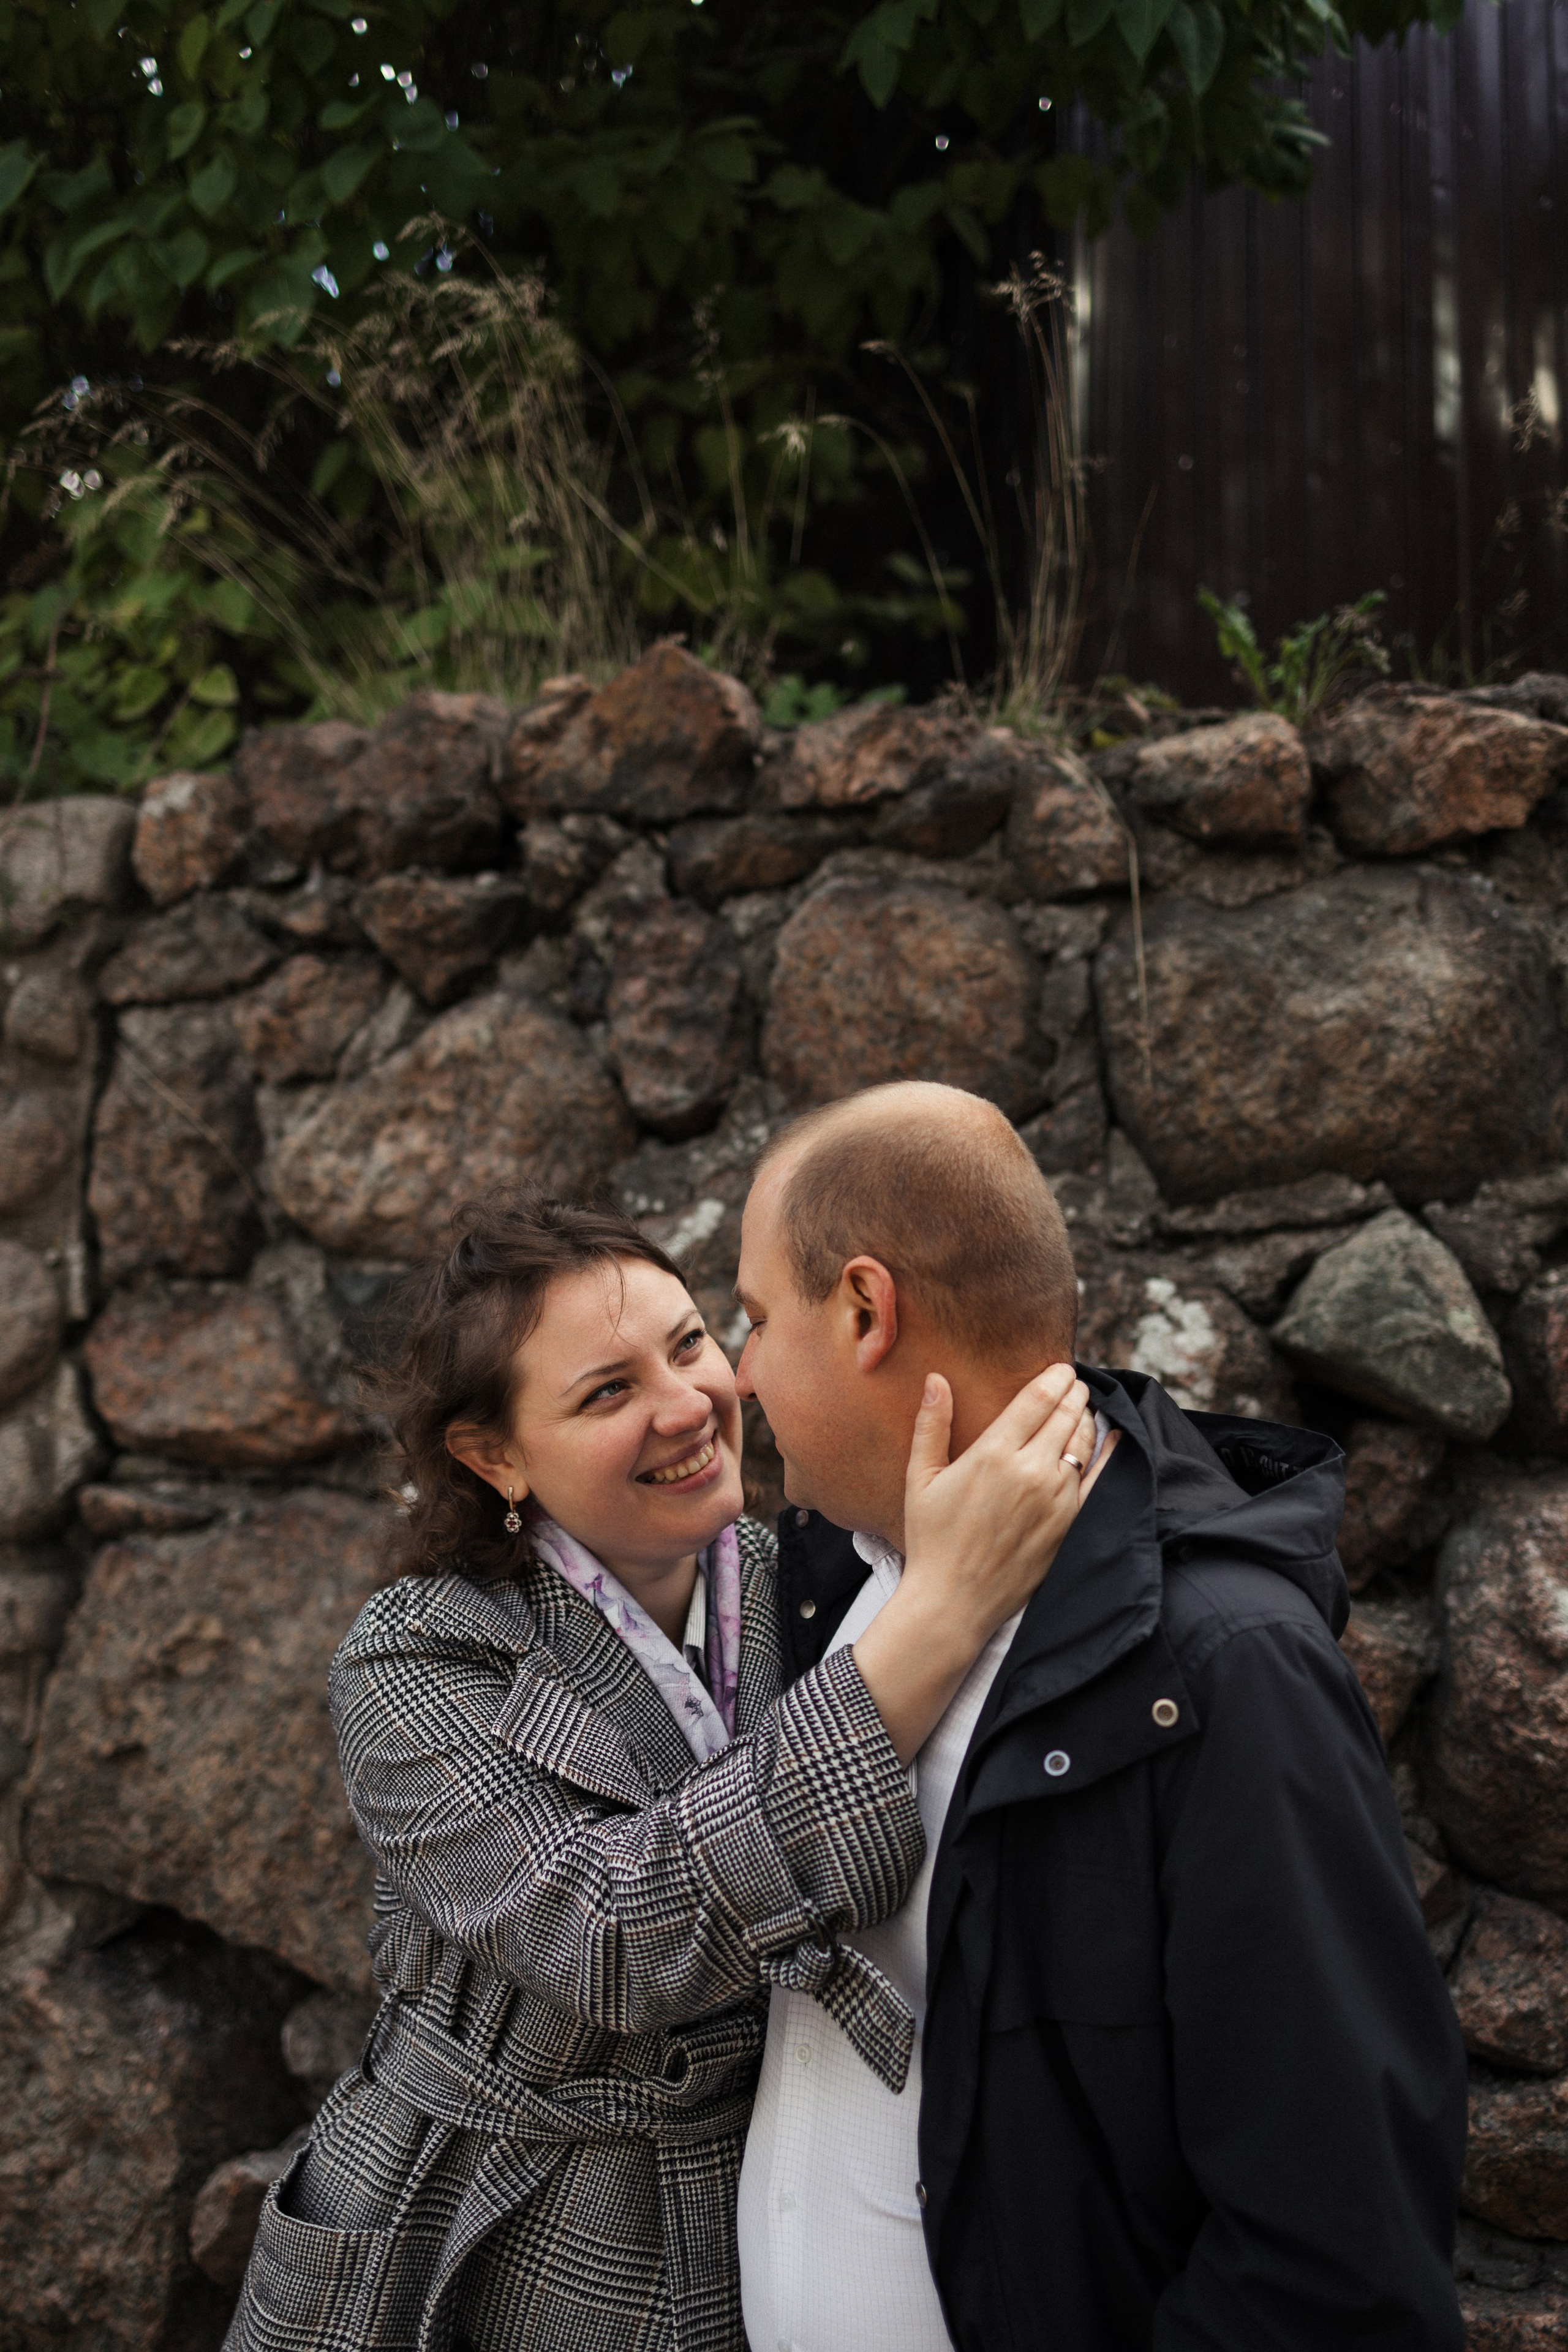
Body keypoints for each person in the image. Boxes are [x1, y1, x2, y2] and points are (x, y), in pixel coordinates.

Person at [225, 1189, 1099, 2352]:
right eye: (607, 1392)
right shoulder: (417, 1654)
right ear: (494, 1456)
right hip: (474, 2221)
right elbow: (610, 1936)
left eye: (690, 1344)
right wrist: (939, 1618)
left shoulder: (819, 1578)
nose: (689, 1405)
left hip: (748, 2196)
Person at [732, 1079, 1469, 2352]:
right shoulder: (825, 1589)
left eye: (749, 1318)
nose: (734, 1373)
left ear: (864, 1310)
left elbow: (1329, 2260)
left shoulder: (1223, 1669)